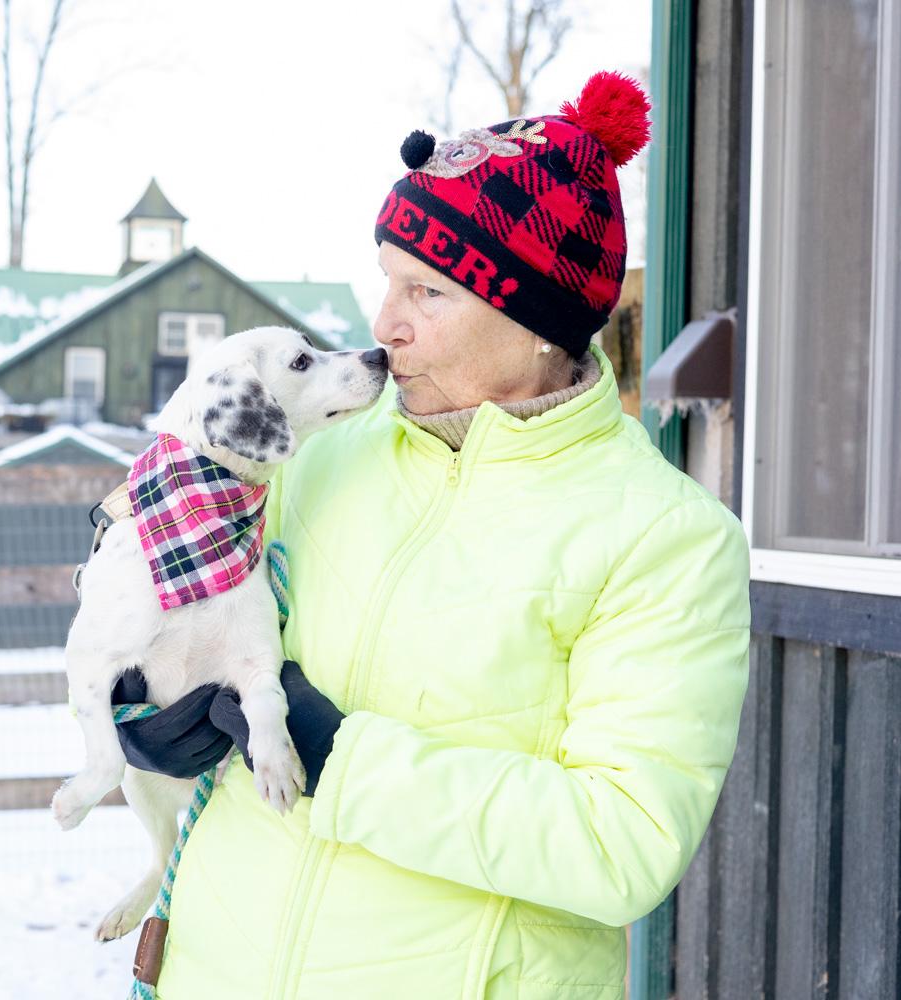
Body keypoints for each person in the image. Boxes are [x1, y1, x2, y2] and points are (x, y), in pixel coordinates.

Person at [113, 71, 751, 999]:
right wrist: (145, 706)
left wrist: (339, 757)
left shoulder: (666, 539)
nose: (384, 326)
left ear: (538, 324)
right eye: (387, 282)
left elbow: (622, 843)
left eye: (428, 294)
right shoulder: (319, 456)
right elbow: (178, 602)